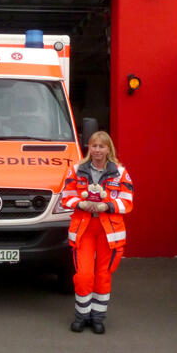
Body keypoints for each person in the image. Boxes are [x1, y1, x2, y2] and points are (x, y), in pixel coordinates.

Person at [60, 131, 133, 334]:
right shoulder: (76, 170)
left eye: (101, 146)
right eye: (94, 146)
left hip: (109, 232)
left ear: (109, 149)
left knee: (103, 275)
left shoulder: (120, 172)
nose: (97, 150)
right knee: (83, 275)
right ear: (89, 148)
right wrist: (81, 203)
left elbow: (127, 201)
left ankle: (98, 318)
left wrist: (106, 206)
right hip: (83, 229)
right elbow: (66, 196)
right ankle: (82, 316)